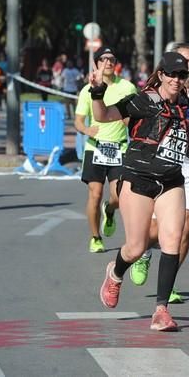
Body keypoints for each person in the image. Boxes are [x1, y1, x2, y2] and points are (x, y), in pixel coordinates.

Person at [95, 51, 189, 331]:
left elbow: (181, 140)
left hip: (171, 180)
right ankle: (115, 274)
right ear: (161, 75)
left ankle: (161, 310)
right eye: (172, 74)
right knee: (137, 247)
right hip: (138, 179)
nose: (177, 80)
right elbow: (103, 115)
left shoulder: (184, 104)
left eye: (182, 75)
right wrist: (97, 89)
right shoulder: (144, 100)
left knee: (172, 240)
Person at [129, 42, 189, 304]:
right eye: (185, 61)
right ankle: (144, 250)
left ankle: (168, 285)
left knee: (184, 228)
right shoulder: (154, 93)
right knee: (159, 228)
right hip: (159, 164)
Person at [74, 47, 136, 253]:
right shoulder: (87, 89)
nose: (108, 62)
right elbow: (79, 121)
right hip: (95, 148)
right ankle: (95, 237)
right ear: (97, 64)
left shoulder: (127, 87)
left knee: (118, 196)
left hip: (119, 147)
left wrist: (131, 125)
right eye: (104, 59)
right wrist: (86, 130)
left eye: (112, 59)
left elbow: (133, 117)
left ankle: (109, 211)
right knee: (95, 193)